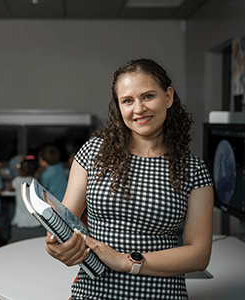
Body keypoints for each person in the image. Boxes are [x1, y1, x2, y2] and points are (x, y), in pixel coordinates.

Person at [45, 58, 214, 299]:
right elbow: (67, 220)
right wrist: (57, 245)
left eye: (148, 96)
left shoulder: (193, 170)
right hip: (93, 292)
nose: (138, 109)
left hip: (160, 295)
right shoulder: (93, 152)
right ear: (118, 106)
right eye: (127, 101)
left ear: (168, 97)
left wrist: (126, 262)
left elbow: (199, 255)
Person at [10, 155, 46, 242]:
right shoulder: (34, 180)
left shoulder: (16, 180)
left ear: (19, 170)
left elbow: (10, 189)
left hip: (21, 210)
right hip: (33, 209)